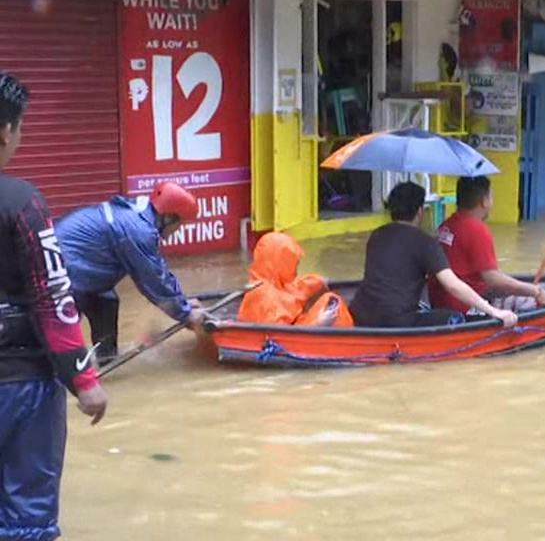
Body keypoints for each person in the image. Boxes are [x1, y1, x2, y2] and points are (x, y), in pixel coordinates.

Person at [0, 71, 108, 540]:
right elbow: (54, 299)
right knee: (28, 520)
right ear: (6, 130)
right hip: (21, 384)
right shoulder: (23, 203)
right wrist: (84, 380)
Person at [55, 182, 207, 366]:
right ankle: (62, 372)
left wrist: (182, 302)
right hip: (65, 273)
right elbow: (153, 281)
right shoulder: (139, 230)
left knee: (106, 302)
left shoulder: (138, 218)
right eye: (180, 224)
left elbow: (159, 271)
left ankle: (107, 362)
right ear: (169, 218)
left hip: (81, 270)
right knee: (63, 332)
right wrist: (186, 314)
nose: (178, 230)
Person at [349, 181, 518, 328]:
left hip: (361, 314)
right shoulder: (425, 242)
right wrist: (493, 311)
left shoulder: (377, 235)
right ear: (420, 211)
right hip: (397, 321)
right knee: (451, 318)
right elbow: (452, 285)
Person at [428, 176, 545, 315]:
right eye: (491, 197)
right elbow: (492, 279)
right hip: (466, 306)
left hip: (440, 301)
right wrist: (535, 291)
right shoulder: (477, 229)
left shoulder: (446, 225)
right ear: (484, 201)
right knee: (536, 303)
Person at [237, 231, 353, 327]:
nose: (297, 267)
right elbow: (280, 339)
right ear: (280, 262)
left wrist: (318, 282)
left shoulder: (276, 282)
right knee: (333, 306)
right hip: (290, 341)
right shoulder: (264, 297)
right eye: (293, 263)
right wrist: (317, 324)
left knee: (330, 299)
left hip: (296, 330)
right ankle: (353, 347)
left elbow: (297, 290)